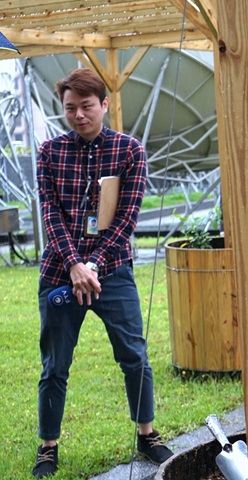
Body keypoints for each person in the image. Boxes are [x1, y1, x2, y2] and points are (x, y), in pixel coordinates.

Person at [33, 68, 173, 478]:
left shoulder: (129, 150)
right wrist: (74, 263)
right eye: (70, 108)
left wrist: (92, 264)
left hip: (112, 272)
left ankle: (147, 434)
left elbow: (127, 219)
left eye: (86, 106)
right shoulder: (49, 152)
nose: (78, 115)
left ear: (104, 104)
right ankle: (48, 446)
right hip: (60, 271)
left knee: (135, 357)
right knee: (54, 365)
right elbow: (50, 215)